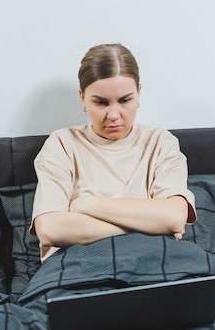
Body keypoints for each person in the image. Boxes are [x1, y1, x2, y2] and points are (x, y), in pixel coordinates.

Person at [30, 43, 197, 262]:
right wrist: (151, 227)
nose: (113, 115)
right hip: (77, 267)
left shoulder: (160, 142)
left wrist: (85, 204)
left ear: (138, 94)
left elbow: (174, 217)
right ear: (82, 98)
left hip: (148, 263)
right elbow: (50, 229)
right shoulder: (62, 144)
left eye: (125, 100)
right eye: (101, 102)